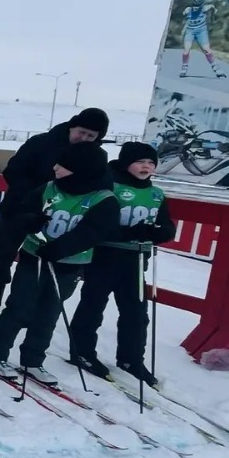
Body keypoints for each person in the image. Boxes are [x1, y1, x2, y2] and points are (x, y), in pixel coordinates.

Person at [0, 141, 120, 387]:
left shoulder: (102, 199)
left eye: (63, 165)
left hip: (68, 265)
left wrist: (61, 248)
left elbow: (94, 231)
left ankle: (33, 359)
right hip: (34, 259)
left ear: (80, 168)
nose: (55, 167)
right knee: (19, 307)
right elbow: (20, 212)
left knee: (49, 312)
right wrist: (30, 220)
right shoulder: (48, 189)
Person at [0, 107, 109, 319]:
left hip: (57, 220)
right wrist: (36, 197)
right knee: (1, 258)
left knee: (37, 263)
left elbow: (101, 186)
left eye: (91, 136)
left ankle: (23, 308)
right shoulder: (41, 142)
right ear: (72, 126)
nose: (83, 138)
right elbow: (14, 170)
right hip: (18, 210)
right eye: (81, 132)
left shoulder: (96, 156)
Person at [67, 142, 175, 386]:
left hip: (136, 259)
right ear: (127, 163)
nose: (146, 167)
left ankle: (131, 359)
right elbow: (98, 223)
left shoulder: (156, 194)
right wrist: (130, 232)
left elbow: (167, 225)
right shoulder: (110, 185)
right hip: (106, 255)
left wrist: (159, 233)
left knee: (136, 314)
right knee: (93, 306)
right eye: (140, 162)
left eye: (150, 163)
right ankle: (82, 351)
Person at [178, 0, 226, 79]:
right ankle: (184, 67)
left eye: (198, 6)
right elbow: (185, 17)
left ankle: (216, 68)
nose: (196, 8)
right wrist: (183, 29)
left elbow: (212, 6)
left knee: (207, 50)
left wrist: (213, 13)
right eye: (194, 5)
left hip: (201, 32)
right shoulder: (188, 9)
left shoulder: (204, 8)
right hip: (190, 31)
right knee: (186, 51)